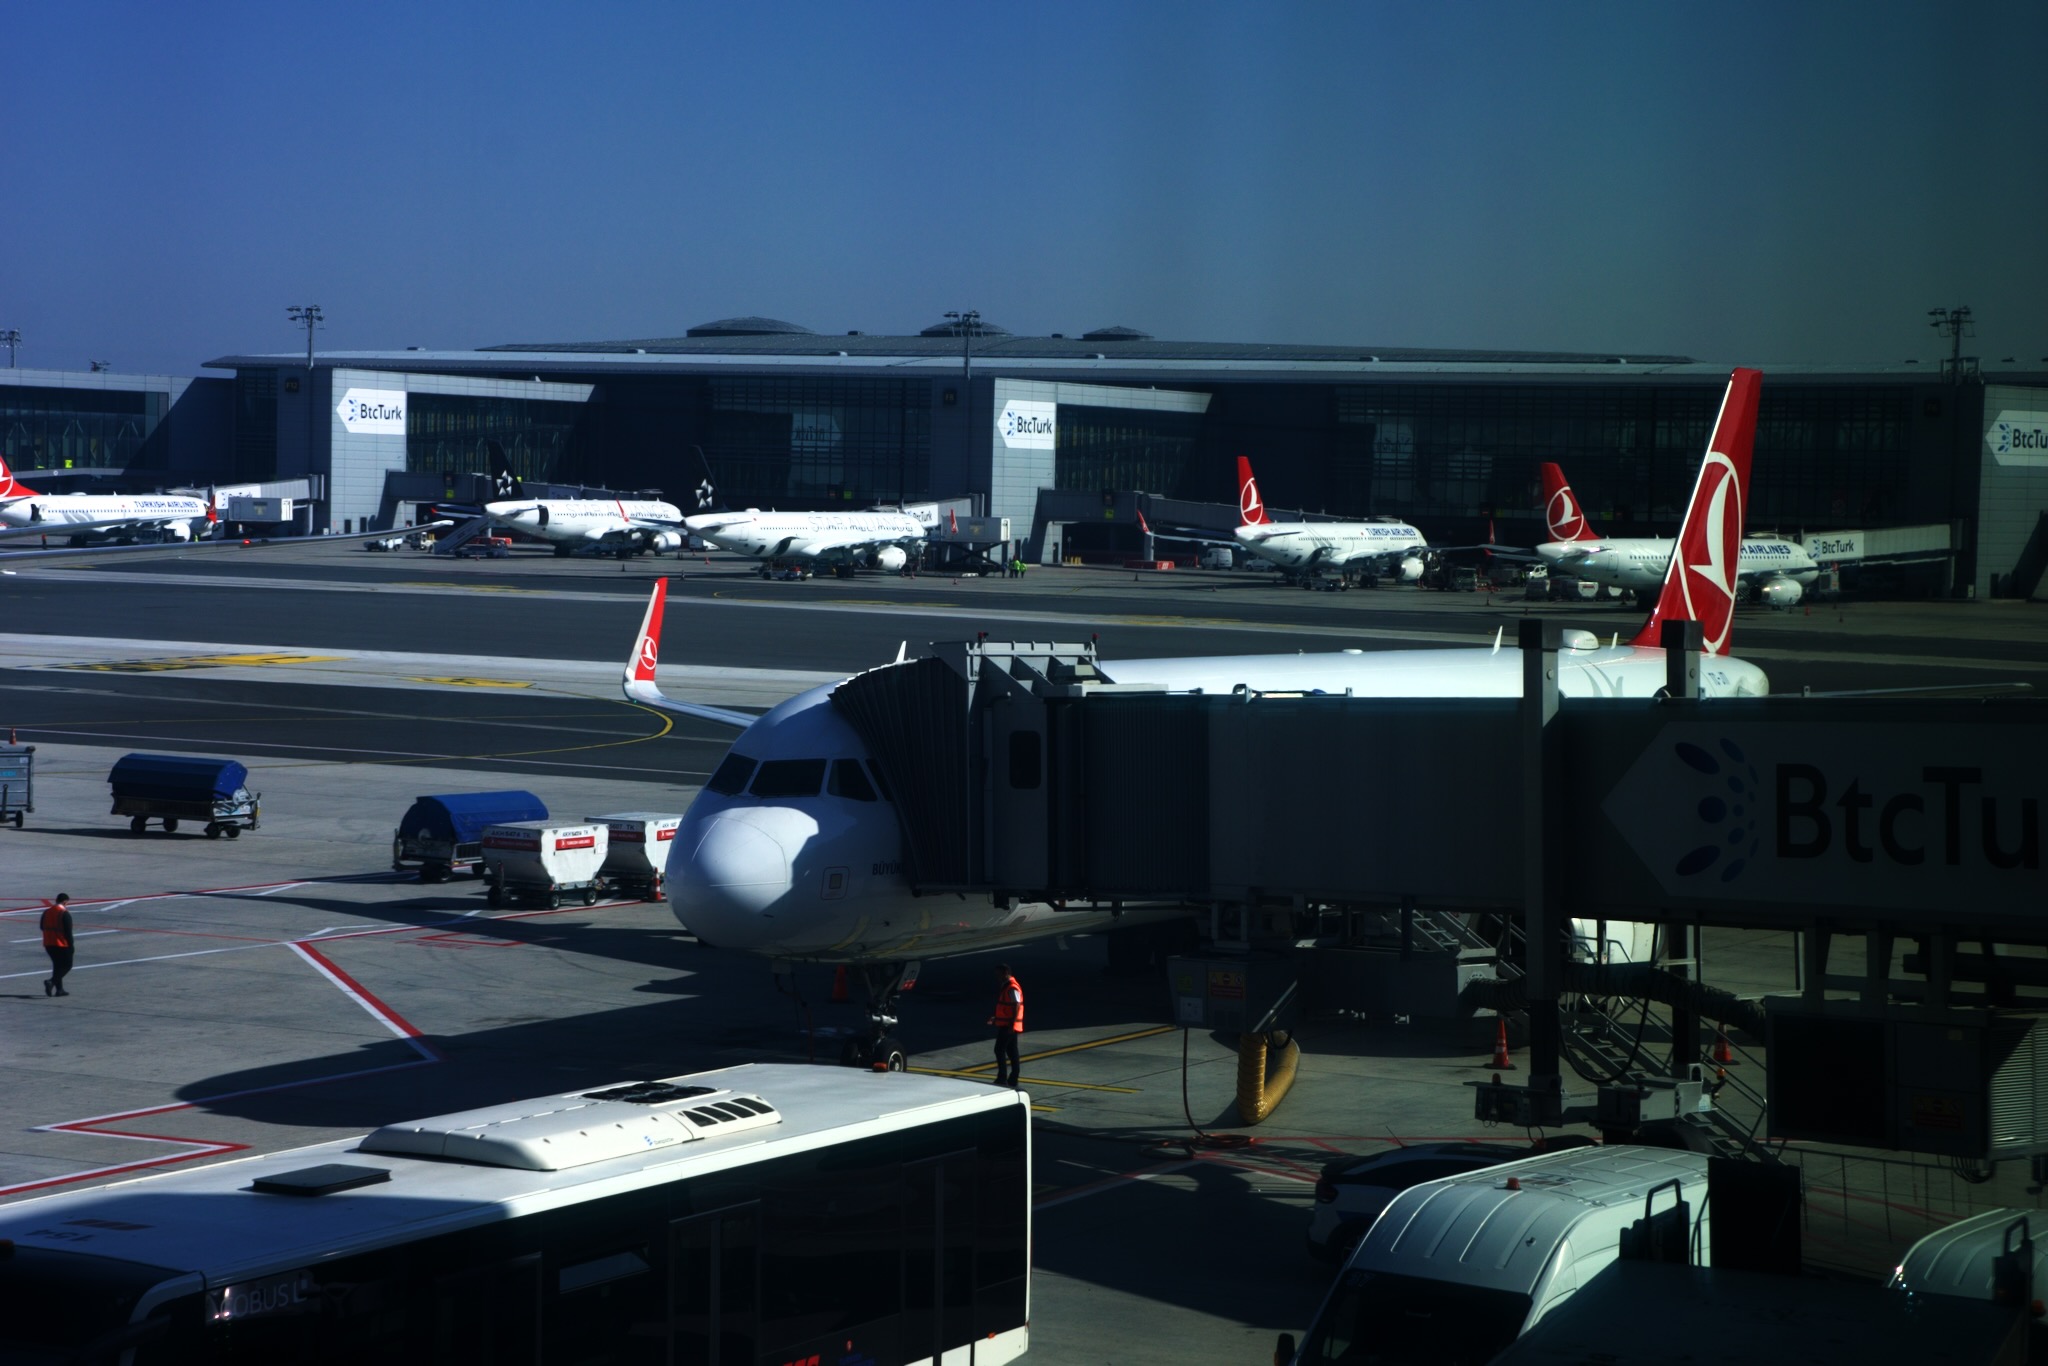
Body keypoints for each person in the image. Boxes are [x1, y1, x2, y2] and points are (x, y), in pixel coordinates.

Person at [989, 963, 1024, 1088]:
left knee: (999, 1049)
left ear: (1005, 973)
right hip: (1007, 1023)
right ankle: (1013, 1079)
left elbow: (1016, 1004)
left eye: (999, 974)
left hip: (1009, 1025)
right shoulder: (1006, 986)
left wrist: (1012, 1023)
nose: (997, 976)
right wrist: (997, 1018)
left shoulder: (1012, 987)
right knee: (1012, 1051)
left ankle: (1002, 1077)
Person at [41, 892, 74, 998]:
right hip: (61, 944)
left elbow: (42, 926)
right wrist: (71, 946)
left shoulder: (47, 912)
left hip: (48, 943)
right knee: (67, 965)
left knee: (57, 965)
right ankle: (51, 982)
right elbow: (68, 933)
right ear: (65, 902)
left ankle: (59, 990)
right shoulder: (64, 913)